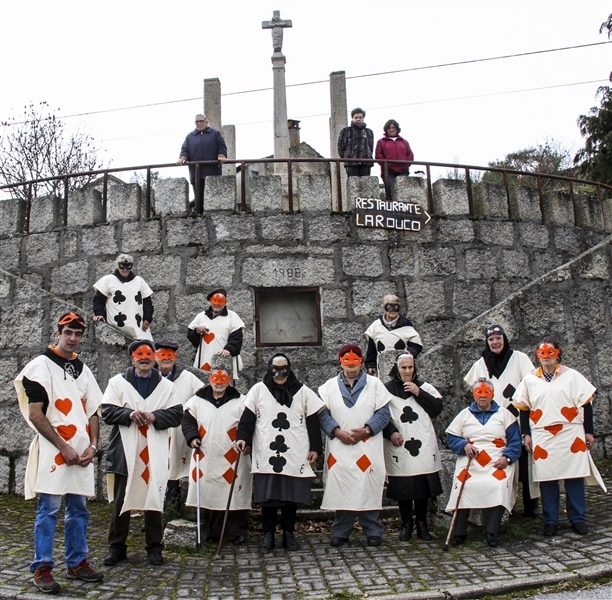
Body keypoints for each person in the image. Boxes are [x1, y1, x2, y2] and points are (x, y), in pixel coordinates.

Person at [14, 312, 104, 593]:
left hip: (82, 452)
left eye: (78, 335)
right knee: (49, 510)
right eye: (69, 333)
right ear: (59, 332)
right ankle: (42, 568)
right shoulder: (40, 367)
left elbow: (92, 411)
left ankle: (77, 562)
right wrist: (63, 447)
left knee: (79, 510)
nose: (73, 339)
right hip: (55, 450)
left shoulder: (82, 369)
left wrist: (93, 445)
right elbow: (35, 414)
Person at [513, 338, 606, 537]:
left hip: (571, 433)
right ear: (536, 356)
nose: (546, 357)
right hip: (543, 435)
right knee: (547, 478)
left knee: (574, 476)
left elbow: (586, 403)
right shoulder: (529, 380)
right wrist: (526, 434)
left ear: (558, 353)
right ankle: (551, 520)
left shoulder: (572, 376)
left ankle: (577, 519)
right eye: (542, 353)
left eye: (550, 352)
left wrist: (588, 431)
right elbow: (524, 408)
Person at [102, 340, 182, 566]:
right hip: (125, 451)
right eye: (139, 354)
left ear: (154, 357)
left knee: (154, 498)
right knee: (121, 500)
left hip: (154, 449)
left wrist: (156, 416)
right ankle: (117, 547)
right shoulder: (117, 383)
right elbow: (107, 411)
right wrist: (128, 414)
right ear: (132, 358)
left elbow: (176, 414)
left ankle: (155, 548)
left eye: (149, 353)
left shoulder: (167, 387)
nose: (144, 358)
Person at [236, 354, 324, 553]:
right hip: (267, 451)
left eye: (283, 369)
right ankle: (268, 536)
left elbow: (312, 422)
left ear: (289, 369)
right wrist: (243, 438)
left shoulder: (302, 391)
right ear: (269, 369)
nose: (279, 374)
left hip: (295, 451)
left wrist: (315, 448)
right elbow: (247, 418)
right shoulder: (258, 390)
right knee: (269, 498)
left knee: (290, 497)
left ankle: (288, 534)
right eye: (275, 369)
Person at [318, 344, 392, 547]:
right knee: (342, 486)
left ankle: (373, 530)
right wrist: (336, 431)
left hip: (367, 445)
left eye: (355, 360)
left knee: (368, 485)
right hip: (339, 447)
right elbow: (322, 414)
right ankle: (341, 531)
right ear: (340, 360)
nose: (350, 364)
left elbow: (384, 413)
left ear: (361, 361)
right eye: (346, 360)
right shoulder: (328, 387)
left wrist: (367, 429)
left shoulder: (376, 385)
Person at [464, 324, 537, 516]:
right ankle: (503, 506)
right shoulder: (481, 364)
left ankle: (531, 507)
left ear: (504, 339)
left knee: (525, 464)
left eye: (498, 338)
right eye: (491, 339)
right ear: (487, 343)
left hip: (519, 418)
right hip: (493, 423)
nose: (495, 342)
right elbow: (476, 390)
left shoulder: (519, 358)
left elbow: (531, 385)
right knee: (498, 462)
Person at [445, 378, 521, 548]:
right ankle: (460, 532)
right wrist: (464, 445)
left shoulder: (505, 415)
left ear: (492, 394)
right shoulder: (464, 415)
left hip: (497, 462)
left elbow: (515, 442)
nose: (483, 396)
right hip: (471, 462)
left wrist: (507, 458)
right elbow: (451, 437)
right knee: (463, 485)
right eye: (479, 392)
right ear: (473, 394)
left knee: (498, 486)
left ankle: (491, 532)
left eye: (487, 392)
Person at [182, 366, 252, 545]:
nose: (219, 383)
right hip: (206, 453)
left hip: (233, 453)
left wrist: (245, 440)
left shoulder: (242, 402)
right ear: (209, 379)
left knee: (235, 491)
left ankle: (238, 531)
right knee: (211, 491)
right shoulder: (196, 401)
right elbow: (188, 422)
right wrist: (193, 438)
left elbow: (247, 423)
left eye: (223, 379)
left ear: (229, 380)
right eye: (215, 378)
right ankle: (214, 532)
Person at [382, 353, 443, 542]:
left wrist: (419, 393)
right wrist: (391, 432)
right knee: (404, 487)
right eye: (403, 368)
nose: (407, 371)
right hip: (399, 443)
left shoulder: (425, 387)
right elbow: (380, 414)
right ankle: (406, 524)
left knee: (421, 486)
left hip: (422, 442)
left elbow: (436, 409)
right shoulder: (386, 390)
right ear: (397, 368)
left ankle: (422, 525)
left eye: (410, 367)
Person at [155, 340, 204, 513]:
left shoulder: (188, 378)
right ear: (155, 357)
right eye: (162, 355)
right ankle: (154, 512)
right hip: (156, 429)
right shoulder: (150, 378)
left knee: (176, 469)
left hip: (179, 431)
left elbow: (202, 396)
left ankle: (173, 509)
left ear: (175, 357)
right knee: (156, 469)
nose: (166, 359)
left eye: (170, 355)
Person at [93, 253, 154, 341]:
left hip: (138, 329)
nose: (125, 269)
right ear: (117, 265)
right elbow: (99, 300)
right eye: (122, 266)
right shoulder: (107, 280)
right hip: (115, 329)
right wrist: (99, 314)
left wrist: (147, 319)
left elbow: (147, 302)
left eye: (128, 266)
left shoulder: (139, 281)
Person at [187, 288, 245, 379]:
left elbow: (237, 338)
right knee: (203, 381)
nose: (217, 304)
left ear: (225, 302)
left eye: (220, 301)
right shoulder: (201, 316)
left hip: (223, 358)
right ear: (210, 301)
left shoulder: (233, 317)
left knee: (222, 381)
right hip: (204, 356)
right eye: (214, 301)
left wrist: (228, 349)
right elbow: (190, 335)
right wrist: (197, 332)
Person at [178, 113, 227, 210]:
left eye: (202, 121)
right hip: (196, 173)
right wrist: (183, 157)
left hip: (212, 172)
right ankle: (199, 218)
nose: (199, 123)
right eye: (197, 121)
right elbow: (185, 149)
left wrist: (221, 155)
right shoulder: (190, 137)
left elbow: (221, 145)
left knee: (214, 200)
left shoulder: (215, 134)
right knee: (199, 201)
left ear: (206, 122)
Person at [364, 293, 423, 374]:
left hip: (402, 368)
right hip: (382, 367)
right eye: (389, 306)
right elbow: (371, 349)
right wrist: (371, 365)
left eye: (395, 306)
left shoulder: (406, 325)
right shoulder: (376, 326)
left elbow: (416, 345)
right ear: (383, 306)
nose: (392, 310)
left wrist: (409, 353)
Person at [375, 119, 414, 200]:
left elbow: (410, 155)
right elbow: (378, 156)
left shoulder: (404, 142)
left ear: (397, 129)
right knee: (390, 193)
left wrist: (405, 163)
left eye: (393, 127)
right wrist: (388, 165)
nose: (391, 129)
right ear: (386, 130)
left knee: (404, 194)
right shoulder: (381, 142)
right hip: (388, 172)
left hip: (403, 171)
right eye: (389, 128)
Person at [337, 107, 375, 177]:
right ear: (353, 118)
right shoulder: (346, 131)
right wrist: (346, 158)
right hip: (351, 162)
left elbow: (371, 146)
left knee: (366, 183)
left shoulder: (369, 132)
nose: (358, 119)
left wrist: (367, 155)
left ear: (363, 118)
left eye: (360, 117)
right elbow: (340, 147)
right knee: (352, 183)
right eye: (356, 117)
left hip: (366, 162)